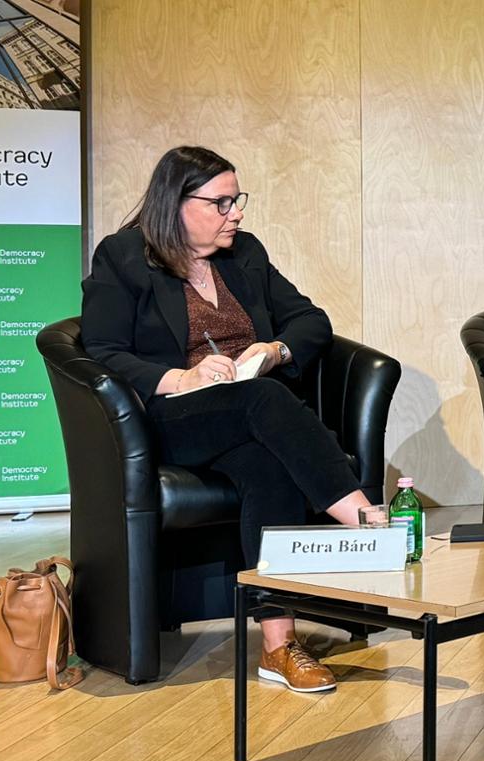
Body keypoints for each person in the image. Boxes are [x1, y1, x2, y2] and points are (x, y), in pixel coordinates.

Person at [81, 146, 374, 693]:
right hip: (172, 419)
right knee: (265, 402)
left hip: (249, 417)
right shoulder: (123, 256)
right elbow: (100, 349)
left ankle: (279, 646)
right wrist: (181, 377)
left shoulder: (245, 254)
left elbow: (311, 320)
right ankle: (366, 524)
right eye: (221, 202)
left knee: (268, 465)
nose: (235, 212)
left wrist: (275, 350)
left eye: (236, 200)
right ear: (177, 203)